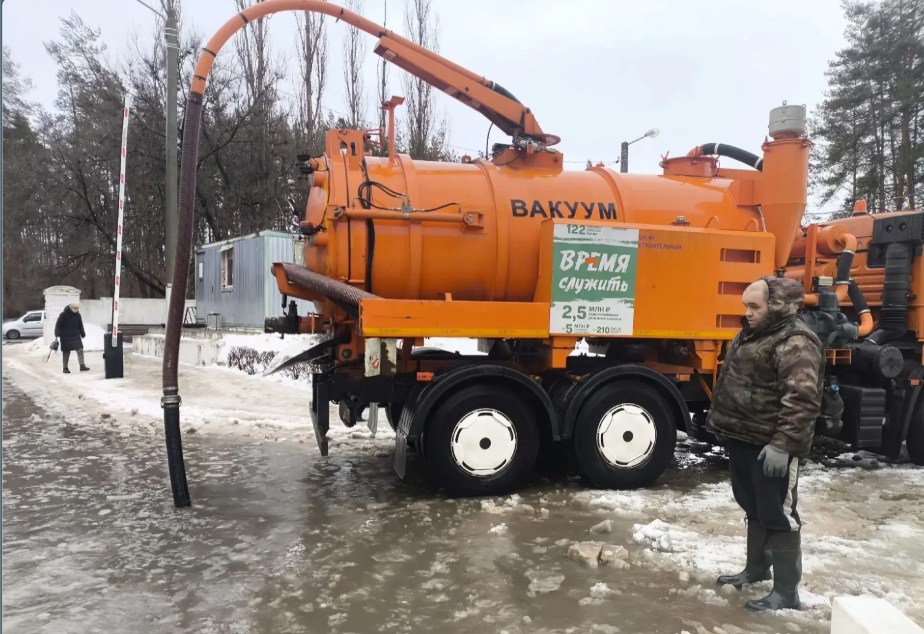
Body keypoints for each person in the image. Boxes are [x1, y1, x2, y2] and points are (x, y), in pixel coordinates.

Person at [706, 275, 824, 612]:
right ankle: (756, 569)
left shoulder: (797, 341)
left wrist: (783, 445)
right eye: (745, 305)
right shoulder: (752, 332)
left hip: (771, 445)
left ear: (777, 306)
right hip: (745, 439)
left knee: (778, 514)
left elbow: (802, 399)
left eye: (754, 306)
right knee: (753, 505)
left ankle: (787, 592)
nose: (747, 312)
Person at [54, 302, 89, 374]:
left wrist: (82, 333)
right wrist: (57, 333)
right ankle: (65, 368)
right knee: (66, 352)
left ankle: (82, 365)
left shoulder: (78, 315)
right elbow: (58, 325)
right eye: (74, 308)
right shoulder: (63, 315)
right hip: (65, 336)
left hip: (76, 335)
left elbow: (80, 325)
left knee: (80, 350)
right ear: (70, 308)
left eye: (77, 308)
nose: (76, 310)